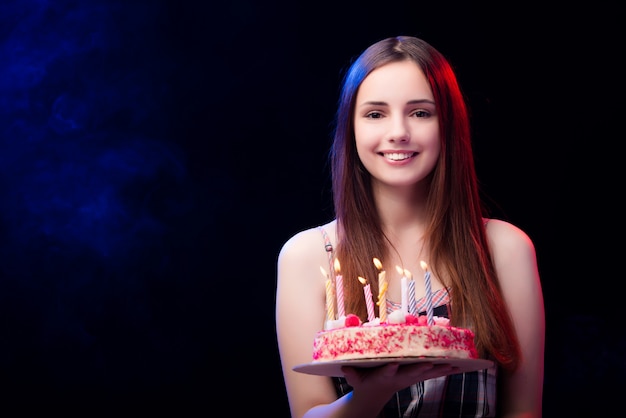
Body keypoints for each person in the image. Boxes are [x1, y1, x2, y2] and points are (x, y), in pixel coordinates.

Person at [275, 35, 545, 418]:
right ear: (350, 129)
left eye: (420, 112)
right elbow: (308, 412)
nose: (398, 131)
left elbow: (524, 411)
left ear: (447, 125)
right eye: (375, 114)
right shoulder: (308, 256)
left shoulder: (504, 248)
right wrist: (369, 395)